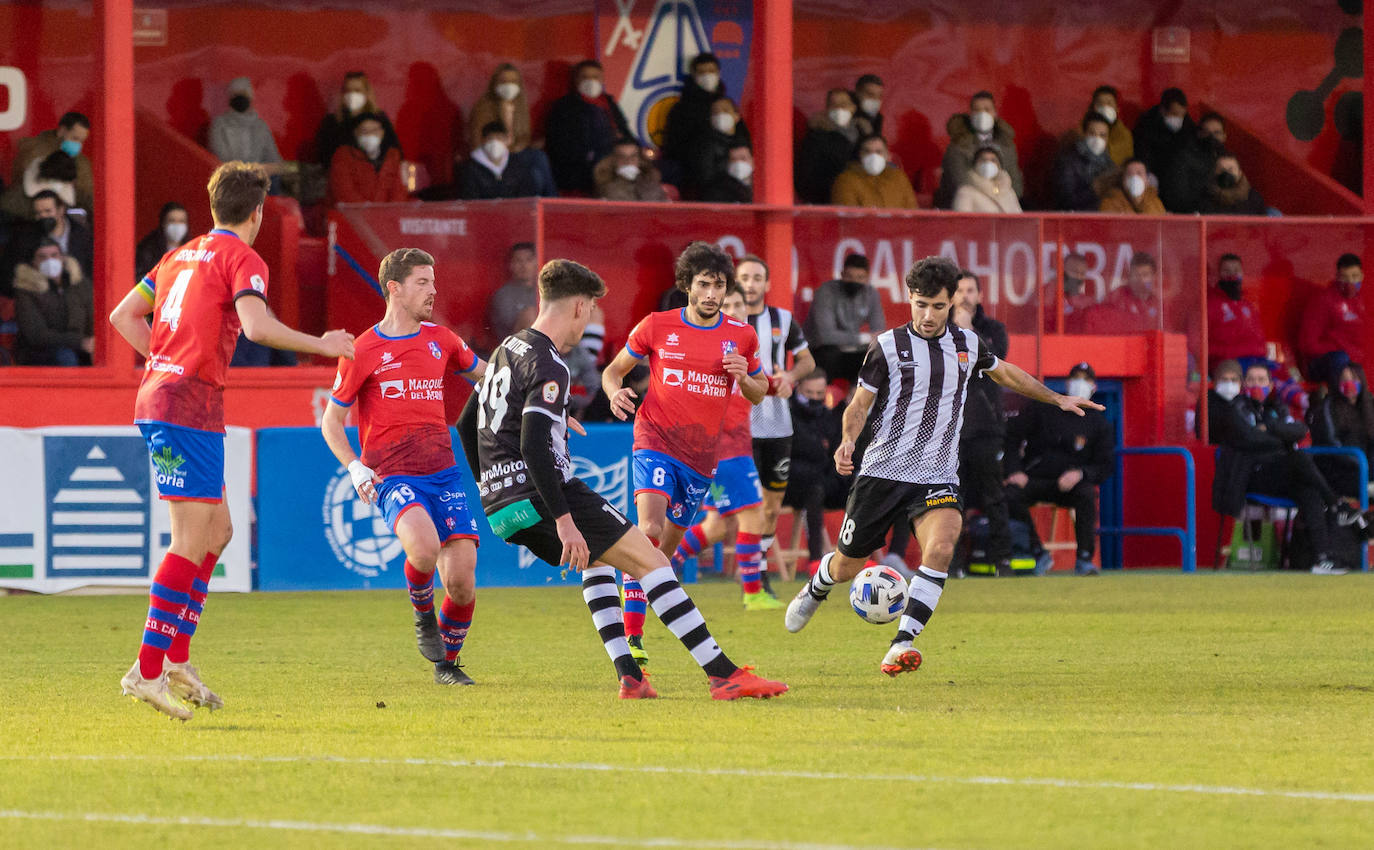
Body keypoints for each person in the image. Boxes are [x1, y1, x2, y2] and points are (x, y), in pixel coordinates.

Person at [458, 257, 787, 700]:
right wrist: (564, 520)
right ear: (578, 307)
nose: (590, 320)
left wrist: (490, 488)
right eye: (592, 309)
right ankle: (722, 673)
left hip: (502, 506)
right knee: (652, 561)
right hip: (544, 495)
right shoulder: (552, 363)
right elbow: (535, 446)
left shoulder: (506, 349)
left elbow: (466, 424)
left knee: (599, 562)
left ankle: (630, 676)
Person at [107, 162, 355, 719]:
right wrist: (324, 343)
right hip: (186, 404)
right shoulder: (243, 258)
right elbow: (258, 327)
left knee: (218, 530)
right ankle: (146, 670)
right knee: (189, 540)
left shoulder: (180, 254)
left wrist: (164, 360)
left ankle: (175, 658)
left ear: (214, 206)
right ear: (259, 213)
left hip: (171, 399)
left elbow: (123, 315)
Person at [783, 257, 1103, 677]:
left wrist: (1057, 398)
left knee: (941, 545)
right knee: (846, 565)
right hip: (883, 471)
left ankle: (902, 643)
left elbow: (1006, 374)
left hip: (936, 475)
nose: (927, 315)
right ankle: (817, 587)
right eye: (920, 305)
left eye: (937, 306)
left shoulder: (967, 344)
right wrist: (846, 441)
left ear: (952, 302)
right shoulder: (886, 346)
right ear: (909, 300)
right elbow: (859, 405)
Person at [321, 248, 486, 685]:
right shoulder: (362, 348)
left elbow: (489, 377)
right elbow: (331, 422)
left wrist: (540, 389)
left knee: (463, 580)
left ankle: (446, 666)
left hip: (443, 472)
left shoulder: (443, 339)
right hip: (392, 473)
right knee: (423, 547)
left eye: (433, 281)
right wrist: (355, 467)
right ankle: (421, 614)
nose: (433, 290)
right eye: (422, 282)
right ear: (394, 288)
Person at [600, 241, 768, 665]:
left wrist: (743, 378)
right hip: (654, 440)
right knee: (650, 530)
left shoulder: (740, 336)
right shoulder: (657, 325)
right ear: (687, 286)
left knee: (662, 558)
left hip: (700, 458)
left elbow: (760, 390)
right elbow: (613, 370)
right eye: (704, 284)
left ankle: (639, 618)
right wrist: (614, 392)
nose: (712, 293)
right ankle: (633, 637)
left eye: (719, 285)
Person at [667, 288, 783, 609]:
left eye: (738, 305)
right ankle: (752, 593)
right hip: (727, 446)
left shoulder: (741, 343)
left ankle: (669, 563)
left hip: (716, 448)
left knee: (717, 526)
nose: (732, 309)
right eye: (727, 304)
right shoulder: (718, 344)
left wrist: (776, 385)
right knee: (753, 516)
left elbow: (754, 382)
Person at [1211, 361, 1372, 574]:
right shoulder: (1236, 408)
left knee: (1308, 490)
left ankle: (1322, 560)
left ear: (1270, 383)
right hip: (1250, 474)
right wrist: (1280, 438)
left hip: (1278, 471)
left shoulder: (1276, 407)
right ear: (1244, 384)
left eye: (1261, 380)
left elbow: (1298, 429)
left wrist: (1268, 428)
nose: (1256, 384)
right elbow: (1248, 438)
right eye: (1251, 379)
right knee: (1299, 457)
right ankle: (1337, 506)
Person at [738, 254, 814, 592]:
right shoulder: (724, 321)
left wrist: (792, 376)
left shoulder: (782, 319)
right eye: (745, 277)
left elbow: (806, 360)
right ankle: (673, 563)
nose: (750, 284)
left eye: (757, 278)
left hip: (777, 426)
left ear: (768, 284)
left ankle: (757, 573)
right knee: (731, 510)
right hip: (738, 428)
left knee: (770, 508)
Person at [1003, 362, 1113, 576]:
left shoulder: (1099, 423)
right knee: (1008, 495)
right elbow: (1011, 437)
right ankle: (1036, 553)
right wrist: (1015, 471)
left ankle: (1084, 560)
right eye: (1076, 378)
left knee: (1087, 494)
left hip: (1071, 485)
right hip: (1035, 478)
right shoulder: (1044, 409)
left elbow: (1105, 464)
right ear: (1067, 383)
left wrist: (1081, 474)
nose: (1080, 384)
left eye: (1086, 379)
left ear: (1094, 387)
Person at [950, 271, 1012, 576]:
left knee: (993, 495)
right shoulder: (940, 331)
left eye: (970, 290)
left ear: (980, 295)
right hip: (952, 429)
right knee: (950, 497)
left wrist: (969, 331)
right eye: (959, 290)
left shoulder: (994, 329)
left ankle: (1002, 559)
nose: (964, 296)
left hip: (987, 428)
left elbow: (996, 362)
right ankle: (952, 563)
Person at [784, 370, 848, 568]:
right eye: (809, 393)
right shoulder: (787, 413)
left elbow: (834, 450)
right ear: (798, 388)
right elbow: (802, 450)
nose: (814, 398)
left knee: (858, 487)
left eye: (819, 394)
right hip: (791, 485)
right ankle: (815, 562)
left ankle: (855, 556)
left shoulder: (828, 416)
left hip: (824, 480)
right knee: (814, 488)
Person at [545, 60, 632, 195]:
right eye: (584, 77)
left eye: (595, 77)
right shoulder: (564, 106)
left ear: (602, 79)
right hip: (581, 165)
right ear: (576, 80)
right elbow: (559, 145)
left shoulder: (608, 103)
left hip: (614, 158)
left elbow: (625, 132)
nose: (590, 81)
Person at [803, 253, 886, 384]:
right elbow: (826, 336)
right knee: (829, 354)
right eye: (849, 276)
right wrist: (864, 338)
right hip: (822, 351)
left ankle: (861, 398)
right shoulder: (826, 292)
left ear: (867, 278)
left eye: (860, 277)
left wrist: (868, 339)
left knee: (876, 357)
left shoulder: (871, 294)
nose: (854, 281)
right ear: (841, 275)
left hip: (853, 350)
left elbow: (879, 332)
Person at [936, 91, 1023, 209]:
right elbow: (959, 182)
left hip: (1002, 206)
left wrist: (1004, 196)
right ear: (970, 114)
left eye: (987, 109)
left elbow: (1015, 183)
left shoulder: (1007, 145)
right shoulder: (957, 147)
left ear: (995, 113)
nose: (982, 114)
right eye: (977, 110)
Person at [12, 238, 93, 366]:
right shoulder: (26, 290)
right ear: (34, 262)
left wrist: (93, 341)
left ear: (62, 258)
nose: (50, 260)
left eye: (54, 255)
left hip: (81, 346)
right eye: (42, 257)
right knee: (65, 357)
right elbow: (36, 335)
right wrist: (79, 342)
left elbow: (94, 317)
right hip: (40, 352)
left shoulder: (80, 285)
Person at [2, 111, 93, 218]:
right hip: (24, 215)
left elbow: (89, 195)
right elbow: (24, 182)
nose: (78, 145)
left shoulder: (81, 162)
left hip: (61, 220)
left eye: (81, 141)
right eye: (75, 138)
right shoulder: (34, 150)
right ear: (62, 131)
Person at [1308, 362, 1374, 497]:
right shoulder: (1327, 408)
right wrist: (1361, 464)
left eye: (1354, 379)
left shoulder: (1369, 406)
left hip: (1365, 468)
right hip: (1338, 469)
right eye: (1344, 380)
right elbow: (1330, 442)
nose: (1349, 384)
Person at [1298, 253, 1367, 382]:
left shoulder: (1364, 301)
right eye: (1345, 278)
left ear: (1362, 276)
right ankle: (1341, 401)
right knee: (1341, 358)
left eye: (1355, 276)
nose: (1350, 282)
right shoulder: (1322, 300)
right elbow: (1307, 344)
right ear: (1337, 277)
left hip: (1355, 362)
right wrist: (1344, 350)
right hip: (1322, 364)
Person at [313, 71, 400, 167]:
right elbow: (322, 156)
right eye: (348, 90)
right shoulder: (332, 122)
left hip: (372, 178)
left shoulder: (380, 120)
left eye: (357, 90)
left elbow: (394, 153)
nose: (352, 95)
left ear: (367, 93)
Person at [208, 78, 285, 179]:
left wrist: (264, 170)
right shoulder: (219, 125)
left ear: (250, 96)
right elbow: (220, 159)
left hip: (258, 182)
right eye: (236, 94)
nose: (240, 99)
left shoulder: (260, 126)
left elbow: (275, 161)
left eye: (243, 94)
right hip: (229, 182)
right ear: (230, 98)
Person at [795, 88, 861, 204]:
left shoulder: (863, 133)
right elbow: (806, 177)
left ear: (853, 107)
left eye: (843, 104)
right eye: (833, 105)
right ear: (827, 109)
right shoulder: (815, 137)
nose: (839, 109)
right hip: (827, 202)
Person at [457, 121, 554, 200]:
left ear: (507, 141)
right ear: (482, 141)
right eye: (490, 139)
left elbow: (525, 198)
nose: (495, 143)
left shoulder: (517, 165)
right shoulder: (469, 169)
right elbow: (470, 201)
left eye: (499, 138)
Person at [328, 112, 409, 204]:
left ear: (383, 132)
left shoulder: (393, 155)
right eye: (364, 131)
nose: (370, 135)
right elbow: (344, 193)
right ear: (355, 133)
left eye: (375, 130)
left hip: (384, 214)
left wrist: (388, 213)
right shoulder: (343, 155)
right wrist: (369, 213)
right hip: (351, 214)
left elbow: (399, 192)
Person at [1206, 253, 1265, 374]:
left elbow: (1260, 340)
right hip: (1226, 363)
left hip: (1255, 361)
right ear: (1218, 274)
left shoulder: (1249, 305)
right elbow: (1204, 347)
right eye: (1226, 271)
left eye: (1236, 270)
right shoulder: (1209, 304)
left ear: (1242, 273)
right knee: (1254, 377)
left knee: (1280, 374)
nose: (1232, 275)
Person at [1075, 251, 1160, 334]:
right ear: (1128, 276)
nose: (1140, 280)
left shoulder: (1159, 305)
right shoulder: (1115, 300)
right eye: (1136, 275)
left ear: (1154, 277)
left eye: (1145, 275)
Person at [1160, 111, 1227, 214]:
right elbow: (1177, 197)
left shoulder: (1229, 160)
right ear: (1199, 134)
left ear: (1224, 136)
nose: (1211, 137)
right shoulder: (1183, 157)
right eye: (1206, 132)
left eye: (1217, 133)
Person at [830, 134, 918, 209]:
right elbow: (848, 218)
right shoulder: (845, 181)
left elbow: (912, 212)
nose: (873, 156)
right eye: (867, 151)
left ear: (888, 156)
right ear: (860, 155)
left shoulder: (899, 178)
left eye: (879, 152)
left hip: (898, 228)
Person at [1051, 112, 1114, 212]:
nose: (1097, 139)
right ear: (1084, 134)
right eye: (1092, 133)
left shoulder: (1110, 165)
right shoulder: (1068, 161)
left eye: (1102, 135)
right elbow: (1065, 200)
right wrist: (1093, 190)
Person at [1132, 88, 1194, 188]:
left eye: (1182, 115)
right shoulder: (1146, 126)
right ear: (1163, 110)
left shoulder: (1188, 126)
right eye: (1174, 114)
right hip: (1154, 177)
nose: (1179, 119)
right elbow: (1142, 153)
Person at [467, 63, 534, 156]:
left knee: (537, 157)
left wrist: (516, 148)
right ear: (494, 84)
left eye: (513, 81)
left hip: (515, 154)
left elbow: (524, 137)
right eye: (503, 81)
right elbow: (478, 140)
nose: (509, 86)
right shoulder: (483, 108)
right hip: (492, 156)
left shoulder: (520, 107)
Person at [30, 189, 93, 279]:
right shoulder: (28, 238)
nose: (43, 216)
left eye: (48, 211)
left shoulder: (83, 236)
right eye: (38, 213)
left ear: (61, 210)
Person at [486, 242, 540, 347]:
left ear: (536, 263)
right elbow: (511, 329)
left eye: (529, 260)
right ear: (511, 265)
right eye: (518, 260)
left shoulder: (545, 291)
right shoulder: (503, 295)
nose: (524, 265)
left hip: (551, 350)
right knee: (529, 314)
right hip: (513, 352)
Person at [593, 137, 668, 202]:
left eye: (633, 156)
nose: (628, 161)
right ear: (613, 160)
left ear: (640, 160)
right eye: (622, 157)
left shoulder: (653, 185)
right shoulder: (605, 188)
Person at [951, 147, 1022, 213]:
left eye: (993, 160)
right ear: (975, 165)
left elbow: (1019, 218)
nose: (988, 163)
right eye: (983, 160)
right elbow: (962, 221)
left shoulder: (1009, 192)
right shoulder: (965, 192)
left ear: (999, 166)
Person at [1198, 151, 1266, 215]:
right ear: (1214, 173)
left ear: (1239, 173)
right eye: (1221, 170)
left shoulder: (1253, 198)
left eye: (1231, 169)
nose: (1226, 173)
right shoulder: (1206, 197)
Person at [136, 202, 190, 282]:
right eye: (172, 221)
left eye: (181, 221)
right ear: (163, 223)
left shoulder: (192, 249)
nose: (177, 225)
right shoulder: (148, 252)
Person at [1043, 252, 1096, 332]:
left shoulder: (1085, 301)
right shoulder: (1048, 293)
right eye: (1074, 272)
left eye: (1082, 274)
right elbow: (1044, 320)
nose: (1079, 278)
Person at [1097, 158, 1166, 215]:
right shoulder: (1109, 202)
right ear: (1122, 180)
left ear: (1147, 180)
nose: (1134, 178)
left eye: (1139, 173)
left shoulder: (1155, 202)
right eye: (1129, 174)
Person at [1089, 85, 1133, 166]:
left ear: (1117, 109)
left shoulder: (1125, 135)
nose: (1105, 107)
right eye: (1100, 103)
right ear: (1092, 109)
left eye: (1109, 103)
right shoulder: (1081, 133)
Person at [854, 74, 886, 139]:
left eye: (879, 96)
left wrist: (869, 133)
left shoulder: (878, 118)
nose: (875, 100)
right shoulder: (844, 115)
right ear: (857, 93)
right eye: (870, 94)